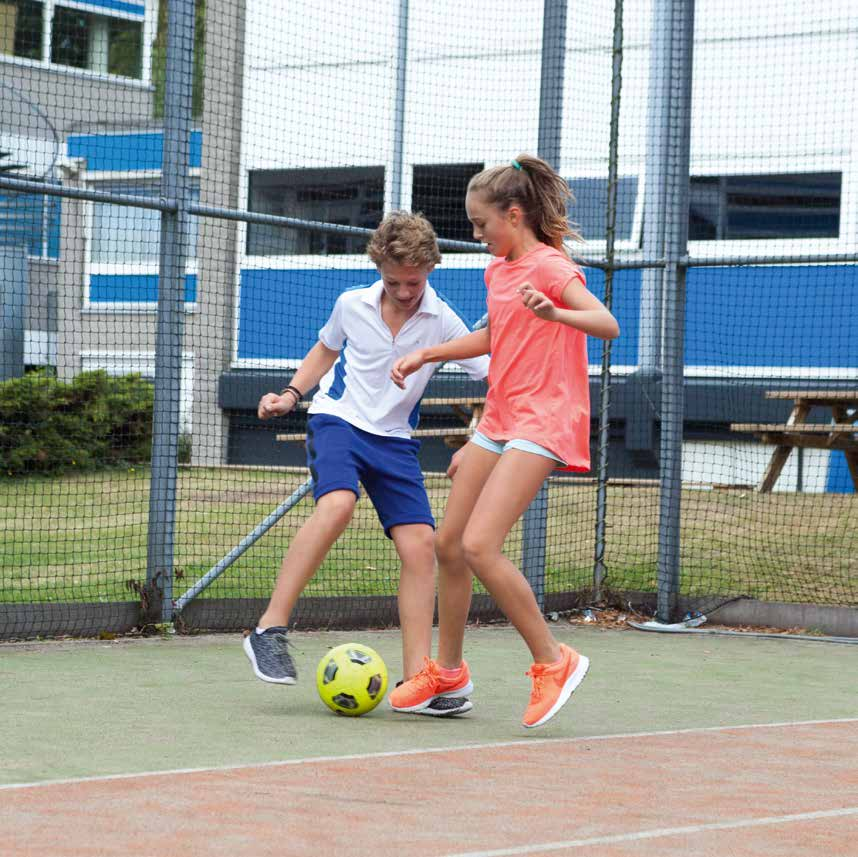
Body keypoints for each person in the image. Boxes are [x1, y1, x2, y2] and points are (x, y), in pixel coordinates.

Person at [388, 154, 620, 728]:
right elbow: (498, 336)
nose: (476, 233)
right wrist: (430, 353)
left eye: (481, 224)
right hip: (499, 418)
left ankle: (553, 660)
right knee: (448, 545)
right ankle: (449, 671)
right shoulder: (498, 272)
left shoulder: (549, 266)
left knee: (479, 546)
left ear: (513, 216)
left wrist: (558, 311)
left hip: (546, 418)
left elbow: (607, 323)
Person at [244, 211, 489, 717]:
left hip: (395, 441)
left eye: (414, 282)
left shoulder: (442, 319)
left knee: (422, 546)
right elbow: (325, 350)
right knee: (336, 506)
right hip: (340, 422)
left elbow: (491, 371)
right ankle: (268, 629)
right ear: (379, 268)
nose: (403, 291)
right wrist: (292, 394)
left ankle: (418, 681)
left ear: (431, 269)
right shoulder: (350, 304)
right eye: (393, 281)